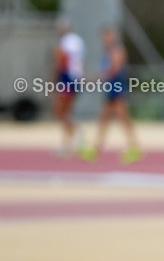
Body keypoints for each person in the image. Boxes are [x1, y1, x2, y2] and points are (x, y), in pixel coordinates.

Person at [79, 26, 141, 163]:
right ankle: (97, 147)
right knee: (104, 119)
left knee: (123, 119)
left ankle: (134, 147)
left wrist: (93, 78)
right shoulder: (107, 53)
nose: (105, 39)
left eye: (108, 36)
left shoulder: (117, 51)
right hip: (110, 90)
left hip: (117, 90)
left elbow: (113, 70)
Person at [52, 17, 85, 157]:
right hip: (76, 78)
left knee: (60, 111)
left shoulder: (64, 43)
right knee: (65, 112)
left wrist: (54, 80)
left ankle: (73, 136)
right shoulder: (78, 41)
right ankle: (69, 140)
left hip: (67, 79)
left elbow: (61, 62)